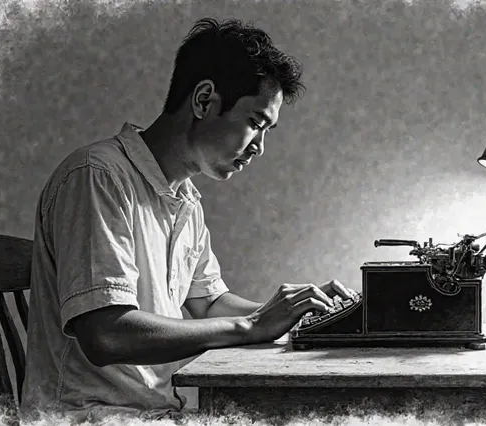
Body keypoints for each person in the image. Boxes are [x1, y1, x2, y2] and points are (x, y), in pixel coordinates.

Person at [19, 17, 355, 423]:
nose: (259, 148)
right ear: (203, 99)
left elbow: (209, 302)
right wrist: (250, 325)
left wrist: (298, 320)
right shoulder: (98, 176)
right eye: (255, 123)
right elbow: (105, 333)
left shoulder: (184, 199)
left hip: (159, 414)